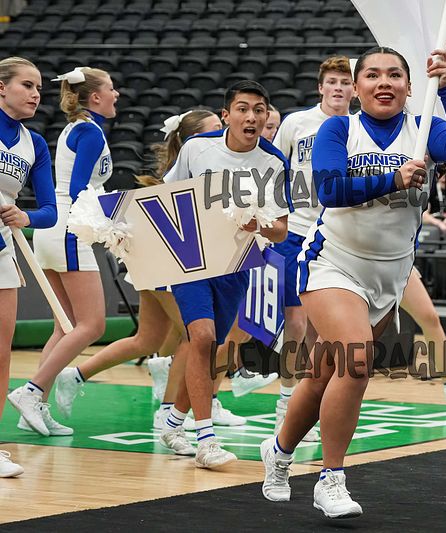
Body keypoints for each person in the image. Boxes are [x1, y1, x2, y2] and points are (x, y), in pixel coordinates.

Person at [260, 42, 446, 518]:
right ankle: (331, 478)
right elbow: (330, 188)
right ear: (357, 87)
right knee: (357, 359)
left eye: (395, 75)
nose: (384, 82)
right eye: (373, 75)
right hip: (332, 261)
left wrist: (445, 89)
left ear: (409, 86)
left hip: (391, 272)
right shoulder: (338, 127)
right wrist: (393, 180)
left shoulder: (424, 129)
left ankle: (278, 452)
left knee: (325, 374)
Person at [51, 110, 260, 431]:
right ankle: (169, 410)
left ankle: (76, 374)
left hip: (167, 267)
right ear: (194, 140)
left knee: (147, 339)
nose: (223, 133)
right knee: (196, 336)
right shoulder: (186, 174)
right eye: (215, 128)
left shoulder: (210, 169)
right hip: (165, 266)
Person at [158, 81, 291, 469]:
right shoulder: (197, 149)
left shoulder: (272, 162)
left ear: (267, 116)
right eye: (243, 108)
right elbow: (168, 195)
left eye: (260, 110)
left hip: (236, 261)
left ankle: (172, 422)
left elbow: (281, 228)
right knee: (201, 337)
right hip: (190, 257)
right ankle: (206, 440)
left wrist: (258, 225)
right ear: (226, 115)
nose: (252, 116)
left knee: (212, 349)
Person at [9, 66, 117, 437]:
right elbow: (77, 189)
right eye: (111, 89)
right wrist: (108, 220)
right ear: (96, 97)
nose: (116, 95)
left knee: (65, 325)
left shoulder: (80, 128)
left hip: (58, 228)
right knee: (93, 325)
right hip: (70, 227)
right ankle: (31, 390)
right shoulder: (89, 131)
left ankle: (33, 405)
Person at [269, 55, 355, 443]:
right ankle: (285, 404)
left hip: (337, 233)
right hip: (297, 229)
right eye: (333, 81)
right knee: (296, 322)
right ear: (321, 87)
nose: (339, 87)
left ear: (355, 90)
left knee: (323, 331)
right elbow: (274, 170)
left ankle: (311, 403)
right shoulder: (295, 123)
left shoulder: (359, 127)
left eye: (345, 82)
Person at [0, 57, 57, 478]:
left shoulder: (34, 144)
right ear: (2, 88)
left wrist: (25, 218)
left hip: (3, 249)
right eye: (26, 85)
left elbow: (51, 211)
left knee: (2, 352)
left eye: (38, 87)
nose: (36, 93)